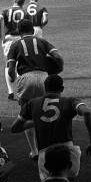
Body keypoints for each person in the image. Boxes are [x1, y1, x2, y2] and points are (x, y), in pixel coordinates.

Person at [11, 75, 91, 181]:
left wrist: (36, 122)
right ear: (62, 89)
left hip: (45, 155)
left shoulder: (32, 103)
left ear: (45, 88)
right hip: (68, 152)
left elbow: (14, 128)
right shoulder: (70, 101)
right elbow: (87, 113)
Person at [8, 20, 64, 159]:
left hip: (26, 78)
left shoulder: (15, 45)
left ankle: (34, 151)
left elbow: (10, 70)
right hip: (44, 77)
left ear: (19, 31)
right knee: (49, 111)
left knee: (26, 115)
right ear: (32, 31)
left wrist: (14, 77)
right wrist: (58, 69)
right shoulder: (42, 42)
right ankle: (48, 147)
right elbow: (58, 56)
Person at [0, 0, 28, 100]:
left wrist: (0, 34)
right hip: (21, 38)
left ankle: (10, 91)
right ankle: (21, 91)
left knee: (8, 64)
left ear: (13, 1)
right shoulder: (25, 12)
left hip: (8, 38)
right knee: (21, 64)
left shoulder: (5, 10)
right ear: (23, 3)